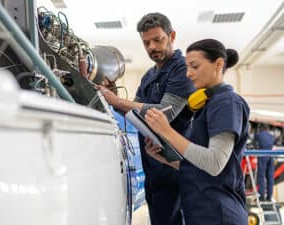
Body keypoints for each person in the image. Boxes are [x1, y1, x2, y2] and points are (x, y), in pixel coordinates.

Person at [97, 13, 194, 225]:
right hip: (154, 170)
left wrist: (117, 102)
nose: (151, 47)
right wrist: (113, 98)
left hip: (175, 171)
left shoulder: (182, 69)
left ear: (172, 36)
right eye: (146, 42)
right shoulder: (149, 76)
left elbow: (164, 113)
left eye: (157, 40)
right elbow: (134, 116)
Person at [144, 39, 250, 225]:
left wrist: (166, 131)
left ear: (218, 64)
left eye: (194, 66)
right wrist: (167, 159)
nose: (188, 74)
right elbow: (201, 166)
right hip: (203, 212)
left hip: (219, 214)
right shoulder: (208, 104)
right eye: (187, 67)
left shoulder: (226, 102)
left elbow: (214, 162)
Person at [255, 123, 275, 201]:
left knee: (261, 176)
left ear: (261, 128)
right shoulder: (271, 136)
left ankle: (262, 196)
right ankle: (269, 197)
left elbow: (254, 144)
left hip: (263, 155)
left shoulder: (258, 135)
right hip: (271, 156)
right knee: (270, 176)